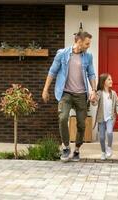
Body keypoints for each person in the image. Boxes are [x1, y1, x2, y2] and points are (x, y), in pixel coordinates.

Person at [42, 31, 96, 162]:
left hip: (81, 94)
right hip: (65, 93)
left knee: (82, 124)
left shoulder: (88, 56)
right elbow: (52, 71)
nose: (89, 46)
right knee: (62, 118)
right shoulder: (62, 54)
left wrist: (93, 90)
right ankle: (66, 147)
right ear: (79, 41)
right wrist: (45, 89)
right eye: (87, 43)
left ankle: (77, 149)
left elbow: (91, 74)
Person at [92, 73, 118, 160]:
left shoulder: (113, 93)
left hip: (110, 117)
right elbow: (95, 103)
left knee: (109, 132)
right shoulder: (99, 93)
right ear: (103, 82)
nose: (111, 81)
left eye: (111, 79)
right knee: (101, 137)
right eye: (109, 79)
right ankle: (103, 151)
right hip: (101, 118)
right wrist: (92, 100)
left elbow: (117, 103)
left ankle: (109, 147)